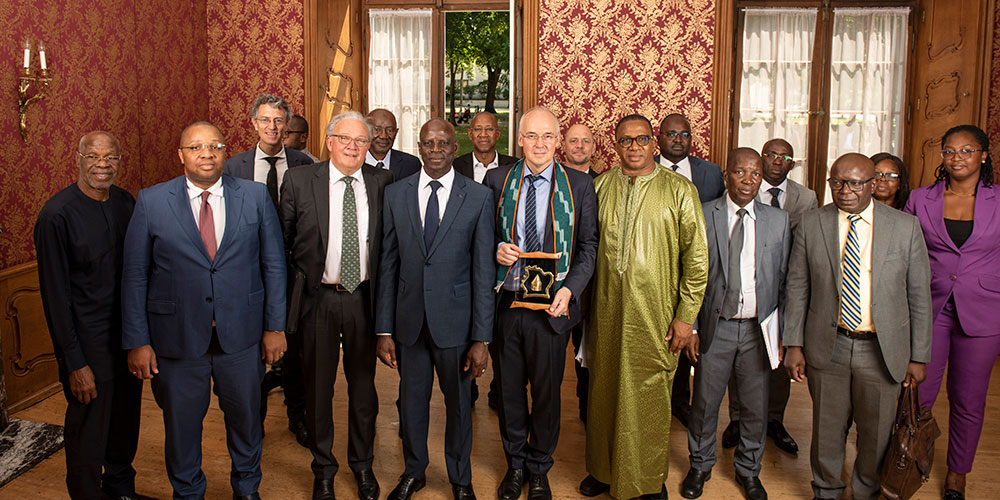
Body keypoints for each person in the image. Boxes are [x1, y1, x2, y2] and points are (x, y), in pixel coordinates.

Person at [122, 121, 287, 500]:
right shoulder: (151, 201)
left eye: (214, 145)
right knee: (181, 428)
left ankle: (247, 490)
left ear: (225, 151)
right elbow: (135, 276)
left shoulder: (255, 196)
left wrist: (275, 327)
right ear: (181, 155)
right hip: (176, 341)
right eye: (196, 147)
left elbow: (274, 265)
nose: (207, 153)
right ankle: (188, 492)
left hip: (242, 338)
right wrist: (137, 341)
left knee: (246, 423)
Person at [784, 153, 932, 500]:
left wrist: (919, 355)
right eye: (837, 182)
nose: (844, 190)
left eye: (854, 183)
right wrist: (793, 343)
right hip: (827, 344)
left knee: (877, 433)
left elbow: (920, 297)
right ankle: (827, 490)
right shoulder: (811, 222)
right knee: (827, 430)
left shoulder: (904, 227)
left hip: (881, 349)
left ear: (873, 184)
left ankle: (866, 492)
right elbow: (797, 286)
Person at [581, 114, 708, 500]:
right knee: (602, 393)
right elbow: (584, 250)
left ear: (654, 143)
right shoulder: (599, 187)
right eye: (625, 140)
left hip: (656, 316)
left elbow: (697, 260)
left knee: (650, 397)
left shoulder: (679, 190)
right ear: (615, 145)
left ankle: (648, 479)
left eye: (641, 139)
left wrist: (686, 318)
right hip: (604, 314)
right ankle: (603, 471)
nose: (634, 147)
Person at [375, 118, 495, 500]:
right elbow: (388, 265)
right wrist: (383, 330)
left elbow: (482, 272)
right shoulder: (396, 194)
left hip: (456, 325)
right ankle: (414, 471)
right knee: (411, 404)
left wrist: (482, 337)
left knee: (459, 406)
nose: (437, 149)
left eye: (444, 143)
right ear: (419, 147)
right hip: (409, 324)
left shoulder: (477, 197)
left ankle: (461, 479)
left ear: (454, 148)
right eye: (429, 143)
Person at [484, 107, 598, 500]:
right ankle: (515, 466)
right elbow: (481, 237)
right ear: (519, 140)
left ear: (558, 141)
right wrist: (497, 248)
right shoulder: (497, 180)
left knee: (548, 394)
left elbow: (588, 249)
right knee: (510, 392)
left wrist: (571, 290)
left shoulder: (580, 186)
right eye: (531, 136)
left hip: (553, 309)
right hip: (509, 304)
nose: (539, 144)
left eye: (547, 136)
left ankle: (538, 469)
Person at [280, 111, 393, 500]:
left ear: (369, 147)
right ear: (328, 142)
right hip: (317, 301)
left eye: (361, 141)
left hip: (363, 300)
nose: (352, 147)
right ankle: (324, 468)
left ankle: (362, 466)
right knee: (318, 390)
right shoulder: (298, 181)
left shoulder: (383, 182)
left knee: (363, 391)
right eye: (345, 139)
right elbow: (285, 244)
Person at [34, 131, 152, 500]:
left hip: (127, 334)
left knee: (124, 417)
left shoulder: (124, 202)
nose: (103, 164)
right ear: (79, 159)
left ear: (120, 160)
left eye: (111, 157)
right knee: (89, 427)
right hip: (86, 342)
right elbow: (55, 297)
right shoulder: (56, 215)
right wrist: (74, 362)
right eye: (94, 156)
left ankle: (121, 490)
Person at [681, 148, 789, 500]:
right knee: (705, 403)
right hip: (717, 325)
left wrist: (782, 335)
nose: (748, 180)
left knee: (755, 406)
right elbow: (691, 274)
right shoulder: (704, 212)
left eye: (755, 174)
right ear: (726, 174)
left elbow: (786, 280)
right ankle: (700, 464)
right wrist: (693, 327)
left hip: (758, 330)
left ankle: (749, 470)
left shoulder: (778, 221)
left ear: (763, 177)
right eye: (740, 172)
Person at [903, 125, 1000, 500]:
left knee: (968, 399)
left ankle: (958, 474)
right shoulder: (921, 198)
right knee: (916, 394)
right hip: (930, 307)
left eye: (967, 150)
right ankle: (908, 462)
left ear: (984, 156)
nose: (958, 157)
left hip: (985, 311)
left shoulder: (997, 199)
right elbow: (908, 254)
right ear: (941, 156)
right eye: (950, 151)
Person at [221, 94, 312, 447]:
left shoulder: (305, 165)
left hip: (295, 276)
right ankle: (252, 422)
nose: (272, 127)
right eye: (265, 120)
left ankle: (297, 417)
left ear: (286, 125)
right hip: (248, 275)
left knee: (296, 355)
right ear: (254, 123)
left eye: (279, 121)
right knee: (249, 355)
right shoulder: (233, 168)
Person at [723, 138, 818, 454]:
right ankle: (737, 419)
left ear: (792, 163)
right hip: (748, 287)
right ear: (760, 161)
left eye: (785, 156)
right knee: (741, 362)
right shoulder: (743, 191)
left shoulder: (807, 198)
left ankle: (775, 420)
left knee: (776, 360)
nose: (778, 160)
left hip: (786, 288)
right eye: (771, 155)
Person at [654, 113, 723, 427]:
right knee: (661, 339)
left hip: (696, 269)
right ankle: (657, 402)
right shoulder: (645, 167)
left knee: (688, 336)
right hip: (655, 270)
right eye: (671, 134)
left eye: (684, 134)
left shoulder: (710, 174)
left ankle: (682, 401)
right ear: (659, 138)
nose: (678, 140)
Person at [560, 122, 599, 422]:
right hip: (555, 286)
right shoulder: (552, 180)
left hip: (593, 287)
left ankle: (587, 411)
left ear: (594, 148)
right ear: (564, 145)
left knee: (588, 356)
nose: (580, 146)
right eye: (574, 141)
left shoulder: (605, 185)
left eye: (586, 141)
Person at [454, 111, 517, 183]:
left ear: (497, 134)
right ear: (470, 134)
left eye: (489, 129)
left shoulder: (514, 167)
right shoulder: (455, 167)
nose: (483, 134)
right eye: (478, 129)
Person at [366, 109, 421, 180]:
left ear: (396, 132)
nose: (383, 136)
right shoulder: (355, 162)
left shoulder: (411, 164)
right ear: (366, 131)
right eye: (377, 129)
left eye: (389, 130)